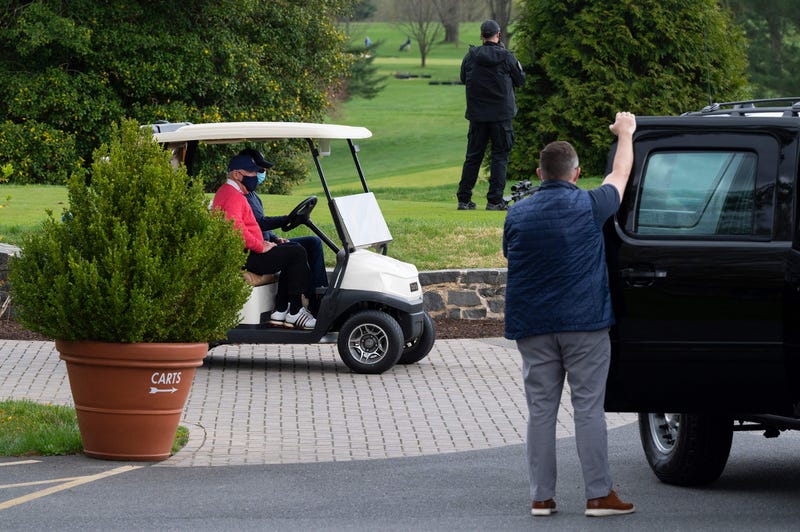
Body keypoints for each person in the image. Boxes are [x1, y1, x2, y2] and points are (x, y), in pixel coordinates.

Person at [502, 112, 637, 517]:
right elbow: (621, 172)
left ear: (540, 173)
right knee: (588, 410)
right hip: (585, 325)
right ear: (576, 173)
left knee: (540, 412)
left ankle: (541, 497)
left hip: (533, 326)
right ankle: (598, 495)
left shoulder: (517, 214)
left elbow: (511, 255)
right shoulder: (590, 204)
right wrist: (625, 132)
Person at [212, 153, 316, 330]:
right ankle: (295, 311)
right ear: (237, 175)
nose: (255, 177)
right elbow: (235, 229)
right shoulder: (232, 196)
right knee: (296, 252)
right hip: (244, 256)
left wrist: (271, 240)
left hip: (245, 252)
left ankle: (281, 310)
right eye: (252, 173)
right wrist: (260, 245)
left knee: (290, 249)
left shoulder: (230, 193)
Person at [236, 149, 329, 307]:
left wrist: (274, 238)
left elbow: (259, 227)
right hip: (252, 252)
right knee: (295, 251)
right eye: (258, 170)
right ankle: (289, 307)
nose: (261, 173)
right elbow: (260, 223)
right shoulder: (237, 197)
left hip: (265, 245)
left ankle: (318, 296)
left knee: (313, 242)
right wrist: (286, 219)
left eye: (262, 170)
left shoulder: (253, 195)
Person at [456, 20, 525, 211]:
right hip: (501, 117)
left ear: (481, 35)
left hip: (477, 116)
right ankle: (494, 201)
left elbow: (464, 78)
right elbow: (521, 80)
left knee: (473, 157)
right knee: (500, 157)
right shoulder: (506, 57)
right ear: (498, 34)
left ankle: (464, 199)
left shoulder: (470, 57)